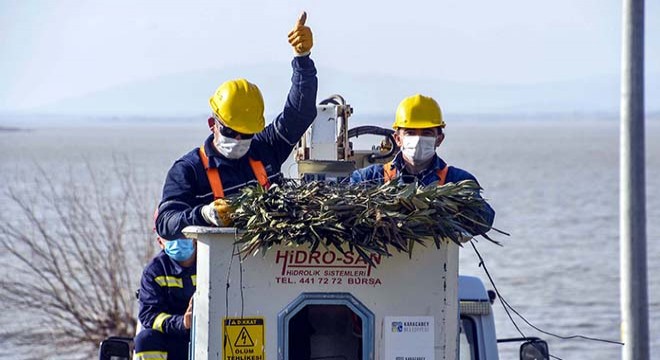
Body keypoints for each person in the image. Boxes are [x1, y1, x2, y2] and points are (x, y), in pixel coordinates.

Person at [155, 12, 317, 240]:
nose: (239, 141)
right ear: (213, 124)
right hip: (220, 271)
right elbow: (165, 222)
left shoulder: (265, 148)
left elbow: (300, 113)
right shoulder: (189, 170)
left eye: (246, 134)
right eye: (231, 132)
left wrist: (302, 59)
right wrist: (203, 214)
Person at [350, 94, 495, 235]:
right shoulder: (370, 178)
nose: (418, 139)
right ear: (397, 139)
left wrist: (453, 207)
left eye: (427, 133)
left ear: (439, 139)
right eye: (410, 133)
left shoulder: (457, 180)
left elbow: (484, 222)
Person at [134, 236, 196, 360]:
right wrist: (182, 322)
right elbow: (149, 315)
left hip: (210, 334)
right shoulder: (155, 271)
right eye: (169, 235)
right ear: (160, 242)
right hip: (171, 340)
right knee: (146, 340)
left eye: (182, 233)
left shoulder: (213, 262)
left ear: (195, 237)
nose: (178, 238)